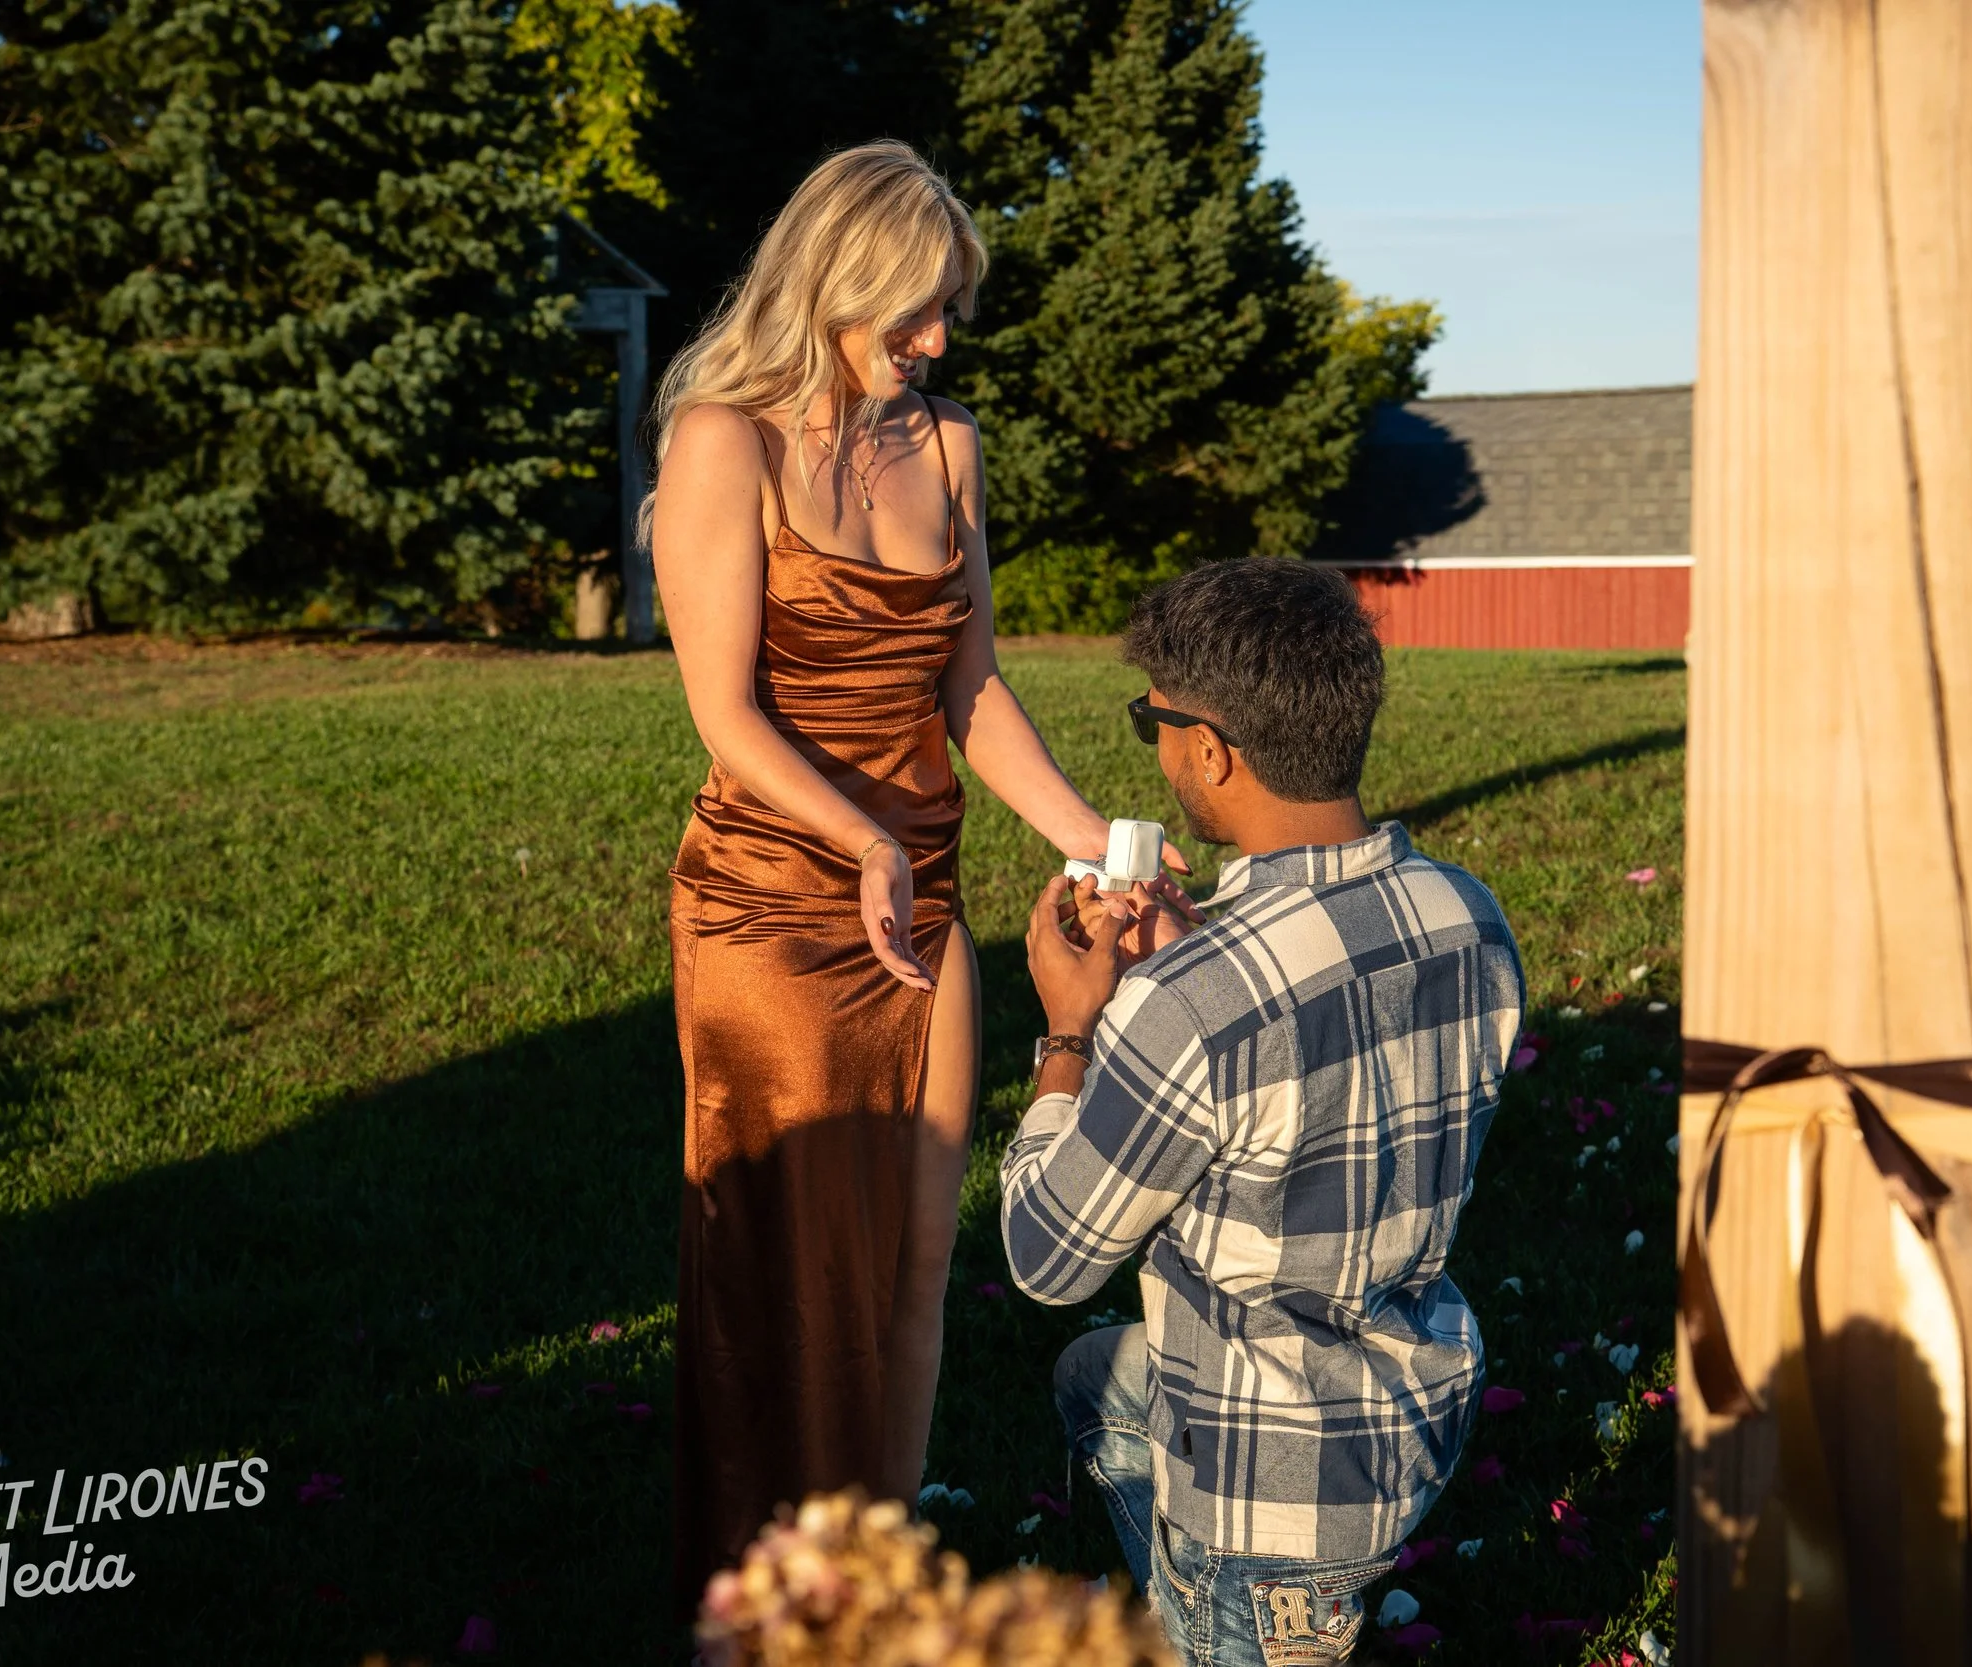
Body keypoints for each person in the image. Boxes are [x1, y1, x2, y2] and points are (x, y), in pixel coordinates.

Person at [647, 141, 1199, 1598]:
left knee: (909, 1273)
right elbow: (725, 709)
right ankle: (762, 1580)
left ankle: (873, 1575)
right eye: (913, 315)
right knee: (782, 1271)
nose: (939, 343)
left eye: (949, 311)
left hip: (926, 908)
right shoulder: (725, 438)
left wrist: (1101, 843)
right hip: (772, 905)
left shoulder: (946, 448)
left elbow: (974, 691)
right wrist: (862, 834)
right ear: (834, 286)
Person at [1000, 560, 1523, 1667]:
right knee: (1094, 1375)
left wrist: (1069, 1034)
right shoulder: (1467, 916)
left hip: (1262, 1508)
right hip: (1407, 1409)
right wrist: (1189, 972)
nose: (1152, 741)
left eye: (1152, 717)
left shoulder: (1189, 1005)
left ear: (1209, 749)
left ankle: (1207, 1617)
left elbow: (1046, 1256)